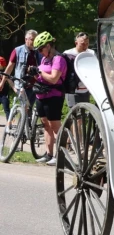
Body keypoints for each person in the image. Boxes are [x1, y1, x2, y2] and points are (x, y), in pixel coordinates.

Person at [29, 32, 66, 166]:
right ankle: (48, 154)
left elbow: (54, 78)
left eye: (41, 49)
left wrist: (39, 72)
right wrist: (33, 73)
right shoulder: (45, 59)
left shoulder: (58, 59)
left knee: (55, 126)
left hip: (54, 96)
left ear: (49, 46)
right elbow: (42, 76)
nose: (39, 52)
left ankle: (60, 155)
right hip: (41, 95)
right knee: (46, 125)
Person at [4, 30, 40, 106]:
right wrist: (2, 83)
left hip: (35, 85)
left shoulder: (39, 52)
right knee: (25, 108)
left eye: (35, 39)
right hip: (22, 85)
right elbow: (9, 68)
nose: (34, 42)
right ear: (26, 39)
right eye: (32, 39)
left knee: (31, 110)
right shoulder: (17, 51)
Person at [63, 32, 94, 107]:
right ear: (76, 43)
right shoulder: (67, 54)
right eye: (83, 44)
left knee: (83, 114)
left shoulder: (91, 53)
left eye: (87, 44)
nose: (85, 46)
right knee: (76, 115)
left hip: (85, 89)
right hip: (72, 90)